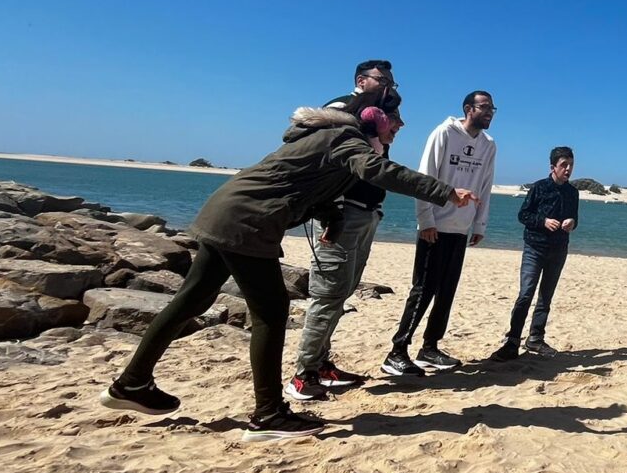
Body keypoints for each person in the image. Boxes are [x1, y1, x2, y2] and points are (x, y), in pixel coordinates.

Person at [100, 104, 470, 441]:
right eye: (392, 124)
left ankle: (131, 383)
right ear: (372, 126)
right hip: (249, 222)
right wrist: (445, 192)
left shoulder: (324, 140)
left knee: (191, 300)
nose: (397, 130)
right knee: (272, 313)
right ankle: (268, 414)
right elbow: (377, 171)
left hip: (226, 210)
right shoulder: (346, 138)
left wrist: (332, 217)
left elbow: (303, 183)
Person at [285, 102, 402, 402]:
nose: (399, 125)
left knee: (340, 294)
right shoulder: (349, 128)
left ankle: (320, 365)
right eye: (394, 118)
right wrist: (332, 217)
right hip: (341, 221)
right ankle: (303, 376)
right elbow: (329, 174)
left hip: (364, 217)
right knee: (327, 297)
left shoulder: (375, 142)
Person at [383, 91, 497, 376]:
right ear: (468, 109)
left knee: (447, 292)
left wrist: (479, 224)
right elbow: (425, 177)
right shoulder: (444, 133)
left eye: (492, 109)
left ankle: (430, 347)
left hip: (461, 228)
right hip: (435, 227)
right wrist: (426, 221)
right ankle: (397, 351)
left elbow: (485, 185)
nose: (490, 112)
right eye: (484, 107)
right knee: (423, 291)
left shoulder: (488, 144)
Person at [490, 146, 580, 361]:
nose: (568, 169)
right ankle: (512, 341)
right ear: (553, 167)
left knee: (545, 297)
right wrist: (543, 221)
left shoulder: (573, 192)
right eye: (564, 165)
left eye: (571, 165)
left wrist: (572, 223)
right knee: (525, 295)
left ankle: (536, 338)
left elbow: (574, 218)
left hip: (559, 249)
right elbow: (523, 215)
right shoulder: (539, 188)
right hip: (535, 248)